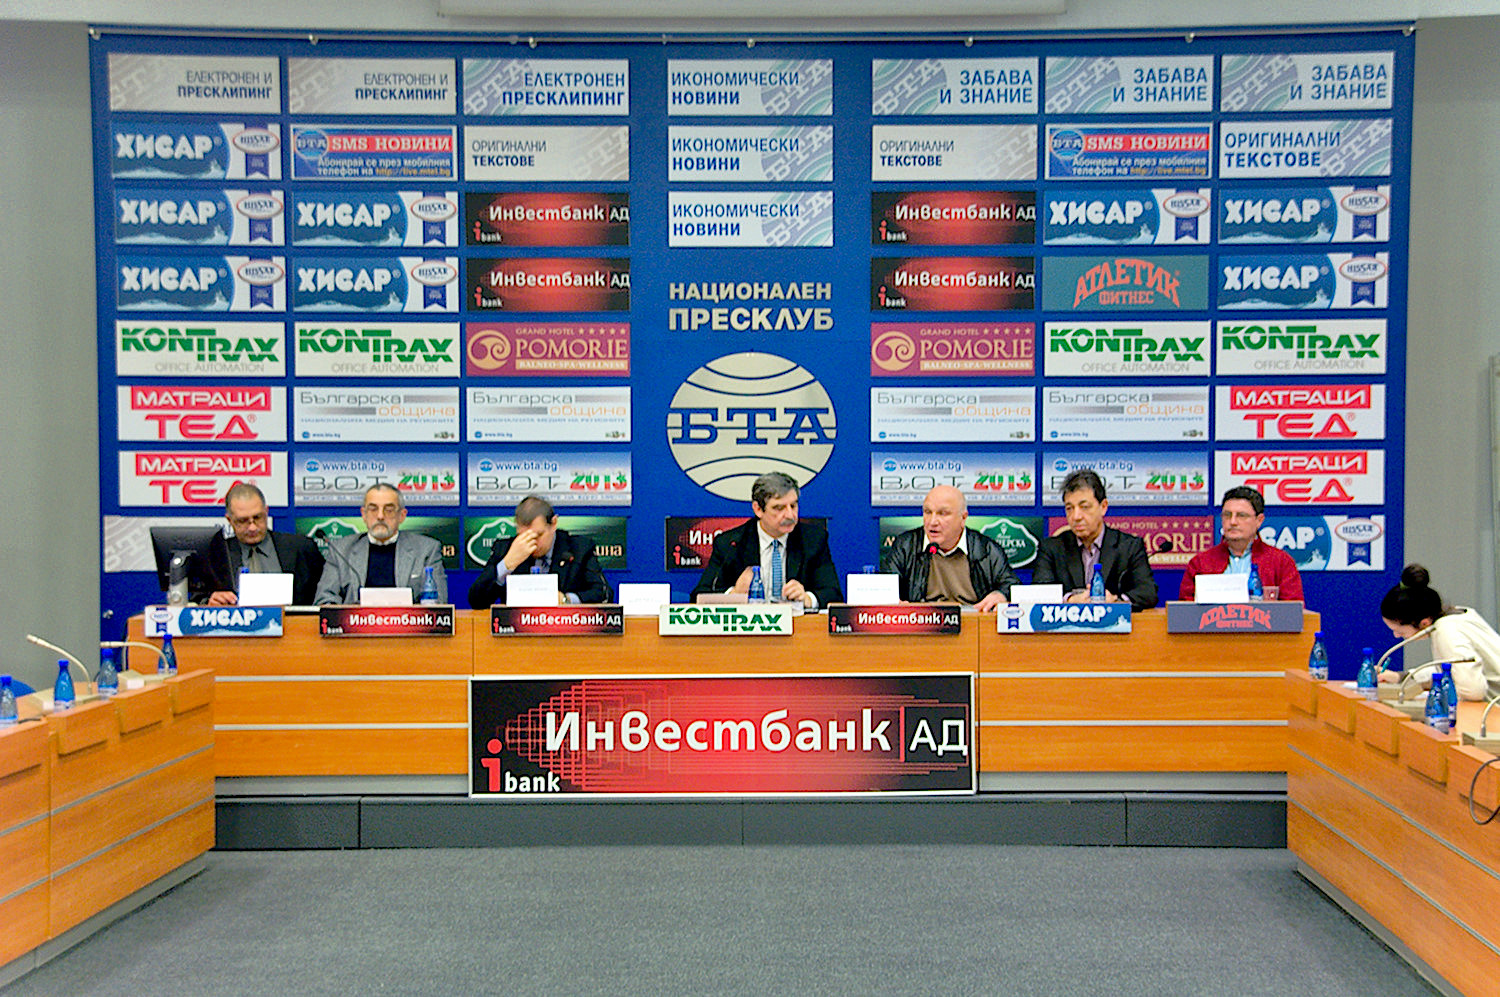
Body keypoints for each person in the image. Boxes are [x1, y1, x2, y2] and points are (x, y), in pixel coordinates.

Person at [690, 471, 843, 610]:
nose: (790, 515)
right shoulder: (731, 543)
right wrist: (734, 594)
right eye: (779, 508)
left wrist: (808, 598)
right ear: (758, 509)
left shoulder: (813, 540)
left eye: (793, 506)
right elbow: (699, 596)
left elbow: (834, 594)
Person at [1031, 468, 1158, 609]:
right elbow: (1039, 592)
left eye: (1084, 507)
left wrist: (1116, 601)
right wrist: (1070, 600)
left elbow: (1148, 593)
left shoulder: (1129, 547)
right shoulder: (1051, 548)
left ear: (1103, 507)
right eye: (1069, 508)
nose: (1076, 516)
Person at [880, 485, 1017, 611]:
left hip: (971, 623)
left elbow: (1011, 586)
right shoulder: (906, 545)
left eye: (943, 513)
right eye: (927, 512)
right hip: (924, 624)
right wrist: (893, 601)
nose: (932, 522)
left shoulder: (986, 549)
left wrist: (1000, 595)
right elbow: (885, 588)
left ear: (963, 518)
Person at [1377, 563, 1500, 701]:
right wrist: (1401, 677)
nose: (1396, 636)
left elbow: (1472, 691)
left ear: (1424, 623)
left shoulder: (1448, 631)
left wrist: (1433, 696)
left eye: (1399, 631)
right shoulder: (1456, 616)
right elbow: (1449, 669)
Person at [313, 483, 447, 605]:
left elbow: (438, 604)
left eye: (389, 510)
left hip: (407, 624)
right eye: (373, 509)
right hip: (354, 624)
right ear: (364, 514)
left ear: (402, 515)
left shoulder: (426, 550)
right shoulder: (341, 550)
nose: (380, 516)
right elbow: (324, 600)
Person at [468, 495, 611, 608]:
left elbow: (604, 594)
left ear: (553, 524)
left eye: (538, 535)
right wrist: (506, 565)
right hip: (516, 631)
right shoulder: (505, 549)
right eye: (523, 536)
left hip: (565, 631)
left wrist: (566, 599)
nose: (532, 543)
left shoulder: (579, 548)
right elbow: (476, 602)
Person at [204, 483, 326, 606]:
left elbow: (323, 595)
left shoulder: (300, 548)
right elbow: (198, 597)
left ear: (266, 512)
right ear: (230, 520)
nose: (252, 527)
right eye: (243, 521)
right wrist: (209, 603)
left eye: (257, 517)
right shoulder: (217, 556)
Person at [1179, 486, 1303, 601]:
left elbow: (1293, 610)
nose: (1232, 522)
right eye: (1227, 515)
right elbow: (1185, 611)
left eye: (1241, 516)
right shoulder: (1200, 563)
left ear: (1259, 520)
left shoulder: (1281, 562)